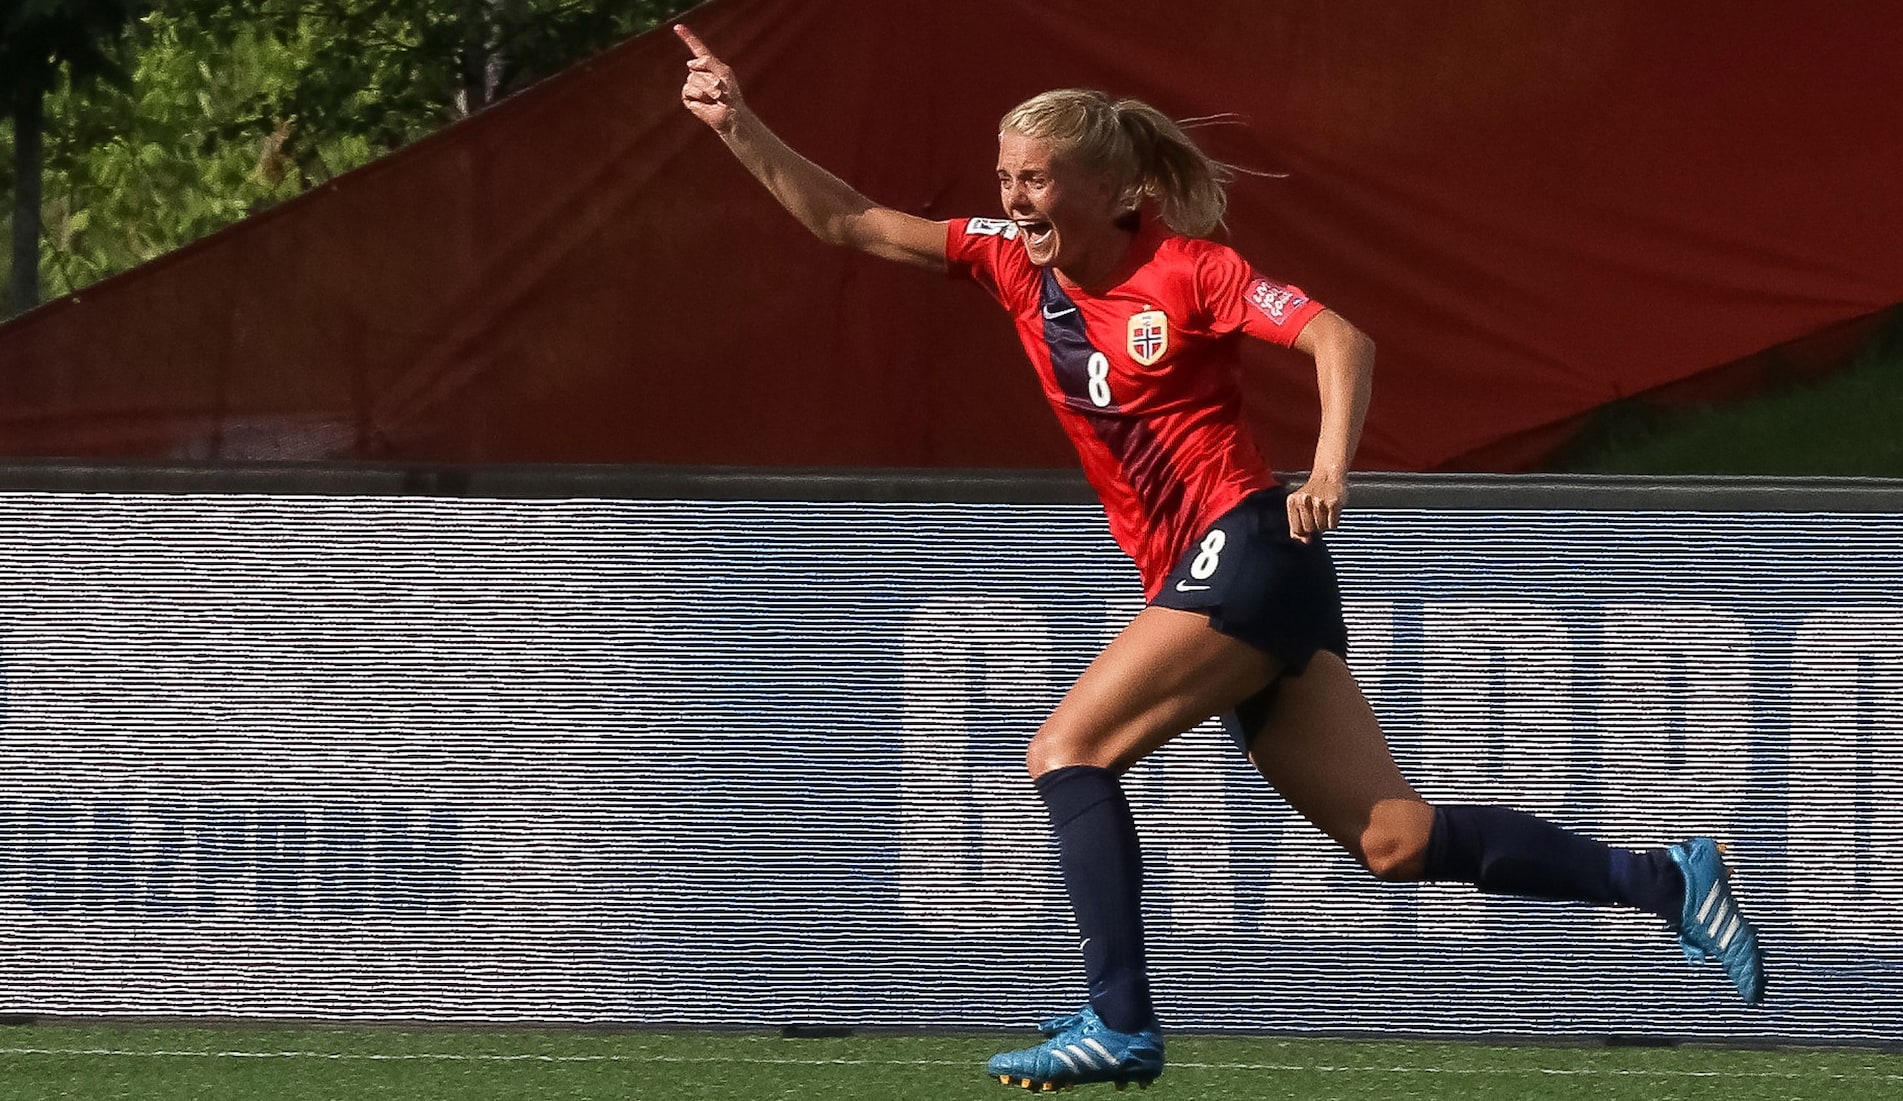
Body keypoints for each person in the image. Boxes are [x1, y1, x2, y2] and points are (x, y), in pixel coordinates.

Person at [675, 23, 1766, 1093]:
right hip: (1240, 576)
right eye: (1006, 176)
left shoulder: (1189, 271)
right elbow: (854, 223)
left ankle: (1117, 1020)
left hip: (1246, 548)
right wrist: (740, 127)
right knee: (1392, 839)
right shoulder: (1012, 266)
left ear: (1110, 193)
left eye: (1037, 180)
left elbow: (1341, 338)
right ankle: (1663, 881)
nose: (1012, 200)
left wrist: (1329, 466)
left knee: (1066, 751)